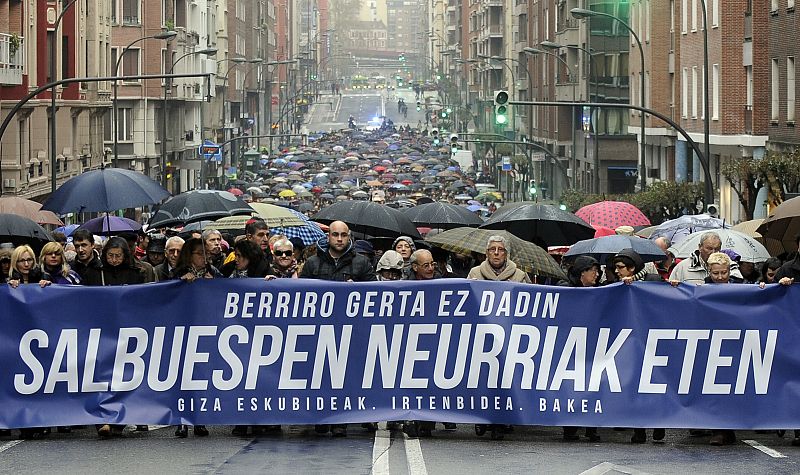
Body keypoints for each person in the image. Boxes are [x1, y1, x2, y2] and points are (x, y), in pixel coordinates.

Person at [300, 221, 375, 436]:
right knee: (320, 375)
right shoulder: (313, 264)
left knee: (345, 375)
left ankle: (341, 419)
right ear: (329, 237)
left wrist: (357, 291)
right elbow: (301, 294)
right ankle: (322, 418)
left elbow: (375, 293)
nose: (339, 239)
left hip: (350, 332)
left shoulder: (361, 263)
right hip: (319, 330)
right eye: (335, 235)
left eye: (343, 235)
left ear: (349, 236)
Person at [612, 249, 665, 444]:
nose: (617, 271)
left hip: (653, 341)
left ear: (632, 267)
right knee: (635, 385)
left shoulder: (653, 280)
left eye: (620, 267)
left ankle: (659, 424)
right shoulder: (617, 285)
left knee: (655, 384)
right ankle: (639, 429)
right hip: (631, 343)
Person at [558, 255, 601, 442]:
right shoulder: (565, 289)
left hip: (592, 345)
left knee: (592, 385)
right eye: (593, 271)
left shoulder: (600, 291)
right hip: (570, 346)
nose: (597, 275)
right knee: (571, 387)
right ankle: (570, 427)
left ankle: (592, 427)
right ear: (582, 272)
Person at [669, 231, 743, 284]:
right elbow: (672, 292)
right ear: (700, 247)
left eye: (717, 249)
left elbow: (738, 286)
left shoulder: (730, 264)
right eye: (709, 248)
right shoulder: (683, 267)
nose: (713, 252)